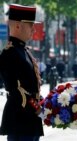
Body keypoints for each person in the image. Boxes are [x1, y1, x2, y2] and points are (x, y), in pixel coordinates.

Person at [0, 4, 44, 141]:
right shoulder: (10, 53)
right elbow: (18, 90)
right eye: (31, 26)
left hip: (30, 120)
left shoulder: (24, 52)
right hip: (20, 119)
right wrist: (37, 106)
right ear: (18, 26)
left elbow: (32, 87)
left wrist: (45, 102)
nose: (33, 30)